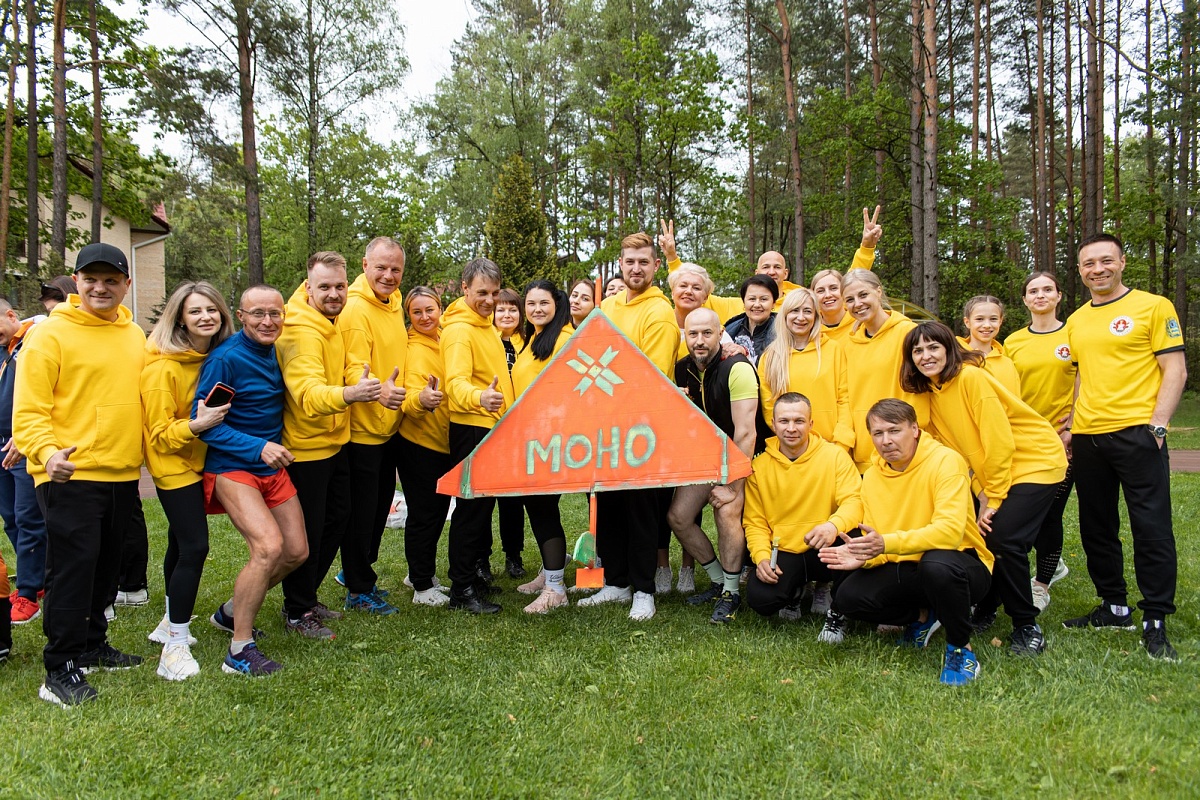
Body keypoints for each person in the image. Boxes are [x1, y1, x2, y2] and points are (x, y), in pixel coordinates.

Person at [15, 242, 146, 705]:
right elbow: (29, 409)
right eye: (91, 279)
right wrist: (47, 453)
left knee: (106, 568)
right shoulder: (49, 335)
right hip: (68, 472)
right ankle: (60, 667)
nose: (100, 288)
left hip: (121, 472)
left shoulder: (135, 335)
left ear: (126, 284)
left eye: (111, 280)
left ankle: (92, 644)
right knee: (73, 570)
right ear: (76, 282)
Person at [901, 321, 1067, 656]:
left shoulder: (970, 378)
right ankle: (988, 606)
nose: (925, 355)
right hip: (995, 471)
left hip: (1035, 461)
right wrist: (980, 490)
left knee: (1004, 538)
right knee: (983, 537)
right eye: (917, 351)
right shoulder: (933, 393)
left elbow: (999, 442)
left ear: (950, 349)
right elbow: (963, 453)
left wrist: (994, 496)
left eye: (933, 347)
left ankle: (1026, 626)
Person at [1062, 233, 1186, 660]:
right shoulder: (1077, 319)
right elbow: (1082, 374)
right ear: (1080, 271)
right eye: (1088, 264)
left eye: (1105, 261)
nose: (1097, 269)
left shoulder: (1153, 306)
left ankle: (1155, 617)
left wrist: (1159, 425)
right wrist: (1073, 424)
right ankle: (1114, 606)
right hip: (1088, 437)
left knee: (1151, 526)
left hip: (1137, 433)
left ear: (1122, 262)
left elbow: (1175, 369)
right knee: (1096, 526)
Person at [817, 399, 994, 687]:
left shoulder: (946, 461)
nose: (885, 441)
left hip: (961, 566)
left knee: (936, 564)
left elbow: (949, 533)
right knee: (848, 597)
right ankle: (923, 617)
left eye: (894, 430)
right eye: (877, 433)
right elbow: (879, 536)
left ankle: (961, 650)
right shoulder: (873, 475)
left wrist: (885, 544)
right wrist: (866, 557)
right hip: (909, 564)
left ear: (914, 430)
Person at [197, 285, 308, 677]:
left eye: (274, 313)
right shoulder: (224, 359)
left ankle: (231, 612)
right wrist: (258, 446)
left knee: (296, 552)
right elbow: (205, 426)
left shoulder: (278, 351)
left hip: (270, 467)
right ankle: (239, 649)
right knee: (267, 547)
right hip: (233, 466)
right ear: (241, 316)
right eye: (258, 313)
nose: (267, 321)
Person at [277, 252, 386, 640]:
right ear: (308, 287)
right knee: (307, 533)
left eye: (340, 286)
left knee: (336, 520)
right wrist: (350, 394)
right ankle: (297, 610)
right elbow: (308, 394)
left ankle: (306, 596)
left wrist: (358, 384)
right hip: (306, 450)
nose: (335, 294)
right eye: (324, 287)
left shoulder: (329, 323)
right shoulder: (301, 332)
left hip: (332, 442)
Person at [580, 231, 678, 621]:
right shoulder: (607, 306)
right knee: (608, 507)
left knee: (640, 510)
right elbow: (591, 356)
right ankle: (616, 582)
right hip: (605, 425)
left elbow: (648, 374)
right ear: (620, 264)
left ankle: (643, 590)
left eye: (643, 262)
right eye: (630, 262)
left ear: (656, 265)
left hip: (642, 427)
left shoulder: (660, 311)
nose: (636, 269)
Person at [141, 281, 234, 679]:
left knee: (180, 542)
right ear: (180, 318)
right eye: (195, 311)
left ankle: (168, 623)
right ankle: (174, 647)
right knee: (195, 546)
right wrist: (197, 425)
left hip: (201, 461)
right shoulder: (162, 367)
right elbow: (159, 434)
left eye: (212, 310)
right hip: (172, 464)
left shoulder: (214, 358)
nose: (205, 317)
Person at [668, 308, 767, 623]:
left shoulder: (737, 367)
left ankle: (731, 593)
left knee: (726, 512)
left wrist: (732, 486)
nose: (699, 341)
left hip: (744, 455)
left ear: (720, 333)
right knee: (679, 517)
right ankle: (717, 580)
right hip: (708, 455)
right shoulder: (682, 368)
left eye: (707, 333)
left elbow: (747, 433)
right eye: (693, 334)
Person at [744, 393, 862, 619]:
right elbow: (755, 522)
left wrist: (833, 526)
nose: (791, 428)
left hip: (825, 544)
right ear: (773, 424)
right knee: (761, 599)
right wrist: (762, 557)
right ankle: (795, 591)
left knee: (855, 538)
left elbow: (854, 501)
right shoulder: (759, 467)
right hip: (786, 549)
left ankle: (833, 594)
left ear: (811, 424)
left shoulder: (835, 456)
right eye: (784, 421)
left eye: (799, 421)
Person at [338, 237, 408, 615]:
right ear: (364, 265)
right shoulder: (354, 309)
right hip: (362, 429)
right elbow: (353, 367)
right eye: (381, 267)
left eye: (395, 269)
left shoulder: (393, 303)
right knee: (362, 515)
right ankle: (358, 588)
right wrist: (377, 390)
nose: (388, 275)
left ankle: (357, 572)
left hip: (389, 425)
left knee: (379, 510)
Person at [441, 257, 515, 613]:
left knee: (480, 510)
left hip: (489, 427)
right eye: (482, 292)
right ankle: (461, 590)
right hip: (471, 427)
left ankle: (470, 578)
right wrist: (479, 398)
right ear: (464, 288)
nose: (489, 300)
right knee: (470, 511)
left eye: (495, 293)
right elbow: (455, 383)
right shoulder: (459, 330)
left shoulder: (485, 325)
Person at [1003, 272, 1074, 610]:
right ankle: (1053, 562)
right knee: (1021, 512)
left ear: (1059, 296)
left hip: (1061, 438)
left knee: (1050, 513)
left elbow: (1089, 378)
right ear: (1025, 300)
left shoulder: (1073, 334)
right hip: (1023, 438)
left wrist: (1073, 424)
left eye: (1048, 289)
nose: (1040, 295)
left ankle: (1042, 583)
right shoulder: (1013, 342)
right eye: (1033, 291)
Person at [661, 209, 881, 315]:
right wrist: (672, 258)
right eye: (766, 267)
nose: (772, 271)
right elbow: (693, 289)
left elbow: (846, 290)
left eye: (777, 267)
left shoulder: (801, 299)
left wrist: (866, 248)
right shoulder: (738, 305)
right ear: (756, 272)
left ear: (786, 273)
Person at [510, 280, 574, 613]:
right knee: (537, 509)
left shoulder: (564, 339)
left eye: (543, 303)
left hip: (551, 440)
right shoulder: (532, 339)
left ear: (557, 304)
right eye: (531, 304)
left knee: (543, 509)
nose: (536, 309)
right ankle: (550, 574)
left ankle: (556, 589)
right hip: (529, 438)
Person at [396, 287, 453, 607]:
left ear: (439, 308)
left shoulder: (444, 338)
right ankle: (421, 585)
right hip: (418, 443)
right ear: (409, 316)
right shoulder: (411, 348)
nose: (424, 317)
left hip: (442, 440)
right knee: (423, 515)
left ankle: (422, 573)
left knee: (437, 511)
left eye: (429, 309)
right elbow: (407, 396)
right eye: (416, 312)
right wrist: (422, 399)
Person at [841, 269, 928, 473]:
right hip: (864, 454)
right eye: (850, 299)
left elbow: (921, 388)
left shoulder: (907, 333)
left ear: (878, 292)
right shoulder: (849, 344)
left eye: (863, 295)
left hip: (903, 453)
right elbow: (847, 395)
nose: (857, 304)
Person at [758, 287, 852, 451]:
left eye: (807, 311)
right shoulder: (770, 357)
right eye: (795, 310)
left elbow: (844, 399)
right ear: (785, 315)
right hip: (792, 449)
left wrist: (841, 444)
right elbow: (769, 408)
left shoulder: (833, 349)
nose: (801, 317)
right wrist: (793, 442)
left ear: (816, 316)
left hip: (832, 448)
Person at [0, 300, 47, 625]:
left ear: (11, 315)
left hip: (23, 444)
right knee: (10, 518)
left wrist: (24, 434)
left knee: (28, 516)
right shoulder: (3, 349)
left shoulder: (36, 337)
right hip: (1, 444)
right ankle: (36, 577)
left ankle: (29, 593)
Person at [809, 206, 885, 344]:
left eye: (834, 288)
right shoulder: (808, 327)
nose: (828, 295)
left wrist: (867, 247)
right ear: (812, 295)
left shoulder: (860, 318)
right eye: (820, 291)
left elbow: (855, 277)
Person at [492, 288, 527, 580]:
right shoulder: (485, 340)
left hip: (518, 430)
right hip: (490, 424)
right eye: (500, 309)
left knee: (513, 500)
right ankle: (480, 557)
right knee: (483, 499)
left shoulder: (526, 344)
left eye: (512, 309)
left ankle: (513, 555)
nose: (506, 315)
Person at [959, 295, 1020, 394]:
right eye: (979, 319)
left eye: (993, 319)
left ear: (1000, 321)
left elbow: (1014, 399)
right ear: (967, 322)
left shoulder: (1007, 364)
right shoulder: (955, 357)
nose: (987, 325)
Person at [722, 276, 779, 363]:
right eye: (752, 299)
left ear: (773, 303)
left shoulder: (783, 331)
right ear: (744, 302)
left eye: (763, 299)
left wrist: (745, 353)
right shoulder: (730, 329)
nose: (757, 305)